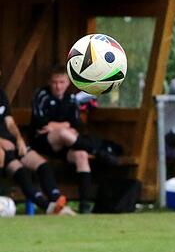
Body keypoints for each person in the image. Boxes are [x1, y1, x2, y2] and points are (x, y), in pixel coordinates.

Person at [30, 65, 114, 214]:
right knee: (63, 133)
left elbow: (75, 125)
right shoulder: (41, 95)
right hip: (43, 143)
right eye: (55, 82)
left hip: (65, 145)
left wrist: (55, 126)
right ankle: (97, 151)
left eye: (61, 82)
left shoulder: (70, 99)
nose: (58, 86)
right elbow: (41, 124)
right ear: (50, 82)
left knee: (81, 155)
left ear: (68, 82)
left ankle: (85, 205)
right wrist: (63, 127)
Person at [0, 84, 73, 215]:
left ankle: (57, 202)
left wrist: (19, 139)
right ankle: (47, 207)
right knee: (21, 173)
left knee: (42, 164)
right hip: (2, 148)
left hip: (12, 143)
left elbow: (10, 123)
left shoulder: (1, 94)